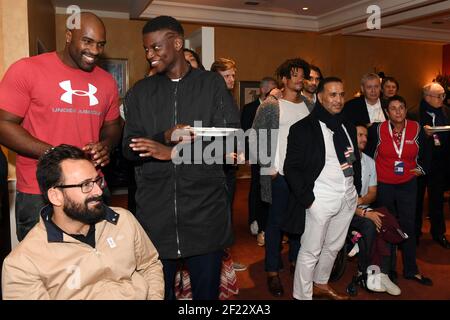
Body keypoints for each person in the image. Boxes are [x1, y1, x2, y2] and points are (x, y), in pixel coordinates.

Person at [122, 15, 239, 300]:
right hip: (156, 216)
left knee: (205, 296)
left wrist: (174, 152)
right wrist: (163, 137)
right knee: (158, 293)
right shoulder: (141, 91)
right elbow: (127, 148)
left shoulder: (211, 85)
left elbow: (230, 138)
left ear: (176, 43)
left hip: (204, 214)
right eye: (146, 49)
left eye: (155, 47)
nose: (149, 55)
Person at [0, 12, 121, 241]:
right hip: (41, 191)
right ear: (68, 36)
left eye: (100, 44)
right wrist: (53, 154)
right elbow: (3, 124)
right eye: (87, 41)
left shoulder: (106, 81)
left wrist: (106, 145)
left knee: (96, 261)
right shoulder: (27, 70)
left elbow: (113, 125)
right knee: (43, 268)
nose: (95, 51)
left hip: (92, 187)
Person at [1, 145, 164, 300]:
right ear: (55, 196)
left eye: (97, 181)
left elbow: (150, 264)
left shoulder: (122, 220)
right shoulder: (23, 263)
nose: (99, 191)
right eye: (85, 185)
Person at [284, 77, 361, 300]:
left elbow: (354, 160)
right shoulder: (303, 128)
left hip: (347, 197)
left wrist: (354, 191)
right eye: (333, 94)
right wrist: (309, 200)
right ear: (320, 96)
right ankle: (302, 295)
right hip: (320, 198)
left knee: (334, 247)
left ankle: (320, 283)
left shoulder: (347, 125)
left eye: (341, 94)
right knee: (311, 250)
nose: (338, 100)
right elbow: (292, 168)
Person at [252, 58, 310, 297]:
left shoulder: (309, 105)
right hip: (280, 176)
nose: (299, 79)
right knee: (275, 225)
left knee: (300, 223)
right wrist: (269, 169)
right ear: (284, 79)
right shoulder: (271, 105)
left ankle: (295, 262)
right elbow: (255, 138)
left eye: (302, 75)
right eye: (294, 75)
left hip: (303, 176)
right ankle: (272, 271)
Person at [366, 95, 432, 286]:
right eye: (393, 108)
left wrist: (421, 169)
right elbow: (368, 154)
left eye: (401, 107)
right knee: (388, 225)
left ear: (405, 110)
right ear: (387, 112)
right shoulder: (377, 130)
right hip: (384, 184)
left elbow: (427, 153)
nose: (397, 112)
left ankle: (411, 269)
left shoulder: (417, 128)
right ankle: (389, 269)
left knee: (408, 225)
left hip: (408, 184)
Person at [348, 125, 401, 296]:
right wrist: (364, 212)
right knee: (370, 224)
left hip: (360, 205)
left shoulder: (369, 162)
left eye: (366, 136)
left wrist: (361, 203)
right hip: (341, 211)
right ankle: (367, 272)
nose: (364, 138)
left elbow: (372, 193)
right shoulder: (342, 160)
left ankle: (383, 273)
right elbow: (341, 199)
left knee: (385, 220)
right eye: (359, 135)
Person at [241, 77, 277, 244]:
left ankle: (268, 224)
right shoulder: (249, 108)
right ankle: (254, 221)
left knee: (269, 189)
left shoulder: (278, 106)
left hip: (271, 155)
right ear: (263, 90)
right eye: (271, 90)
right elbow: (246, 133)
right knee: (256, 188)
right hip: (255, 155)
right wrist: (247, 155)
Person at [416, 83, 450, 249]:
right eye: (439, 96)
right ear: (427, 97)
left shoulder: (446, 111)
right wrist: (424, 134)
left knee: (436, 200)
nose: (443, 99)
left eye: (443, 95)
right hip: (420, 162)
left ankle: (439, 233)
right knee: (416, 200)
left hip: (439, 162)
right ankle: (414, 233)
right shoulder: (414, 112)